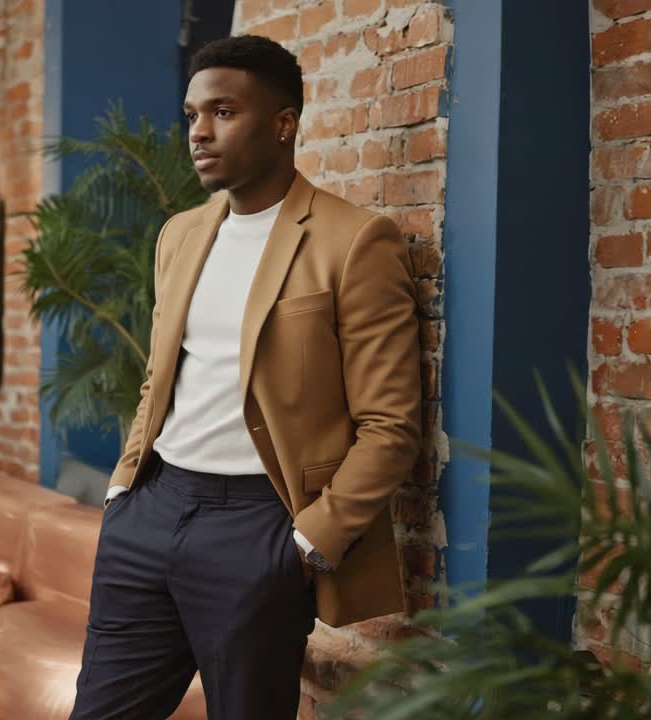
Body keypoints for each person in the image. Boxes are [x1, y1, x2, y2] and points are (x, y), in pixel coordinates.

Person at [70, 34, 422, 720]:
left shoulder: (353, 241)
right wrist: (123, 492)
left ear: (284, 123)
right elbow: (159, 378)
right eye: (192, 114)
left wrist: (306, 545)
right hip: (151, 512)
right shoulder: (179, 235)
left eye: (223, 112)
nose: (199, 132)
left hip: (258, 528)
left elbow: (391, 426)